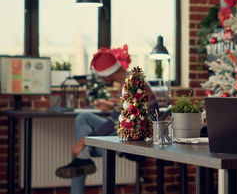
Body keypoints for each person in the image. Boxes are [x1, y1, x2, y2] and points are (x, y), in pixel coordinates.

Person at [55, 46, 159, 194]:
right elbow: (127, 109)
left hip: (138, 138)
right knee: (83, 117)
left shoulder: (130, 84)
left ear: (107, 73)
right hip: (130, 131)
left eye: (101, 76)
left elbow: (114, 121)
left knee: (81, 150)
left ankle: (82, 158)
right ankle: (83, 157)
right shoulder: (130, 80)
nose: (102, 79)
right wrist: (111, 105)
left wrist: (84, 140)